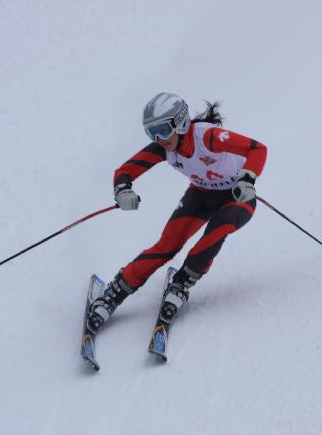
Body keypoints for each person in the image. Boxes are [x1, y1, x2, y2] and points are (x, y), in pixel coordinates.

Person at [86, 92, 267, 333]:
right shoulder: (164, 148)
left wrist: (247, 179)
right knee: (167, 245)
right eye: (151, 132)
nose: (158, 139)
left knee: (219, 226)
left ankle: (182, 283)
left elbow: (257, 149)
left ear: (180, 123)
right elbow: (125, 170)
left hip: (237, 197)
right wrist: (122, 189)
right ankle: (116, 291)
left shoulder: (208, 137)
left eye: (162, 130)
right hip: (201, 195)